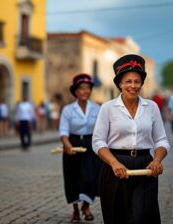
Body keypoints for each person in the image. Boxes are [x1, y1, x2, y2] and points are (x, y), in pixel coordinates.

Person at [92, 54, 170, 224]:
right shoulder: (108, 108)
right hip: (115, 168)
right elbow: (98, 142)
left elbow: (161, 140)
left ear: (142, 84)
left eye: (137, 81)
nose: (133, 86)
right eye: (128, 81)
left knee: (141, 217)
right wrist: (114, 163)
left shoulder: (152, 107)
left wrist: (157, 160)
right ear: (120, 84)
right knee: (116, 216)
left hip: (145, 168)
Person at [59, 73, 101, 222]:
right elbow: (63, 130)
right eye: (82, 88)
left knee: (92, 178)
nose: (85, 91)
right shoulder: (68, 110)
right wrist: (67, 144)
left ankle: (86, 206)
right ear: (76, 91)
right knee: (73, 178)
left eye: (88, 88)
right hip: (73, 144)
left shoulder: (97, 108)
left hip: (91, 145)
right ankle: (76, 210)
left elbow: (101, 130)